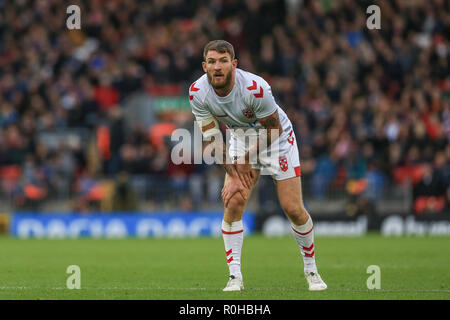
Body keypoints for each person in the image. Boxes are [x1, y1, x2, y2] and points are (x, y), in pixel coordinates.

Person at [189, 40, 327, 292]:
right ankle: (234, 278)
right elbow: (212, 137)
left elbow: (273, 129)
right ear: (204, 65)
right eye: (211, 61)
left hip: (276, 139)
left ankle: (311, 270)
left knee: (293, 208)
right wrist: (230, 170)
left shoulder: (255, 88)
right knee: (233, 202)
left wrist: (249, 159)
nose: (217, 67)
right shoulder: (197, 92)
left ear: (234, 64)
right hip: (241, 140)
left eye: (222, 60)